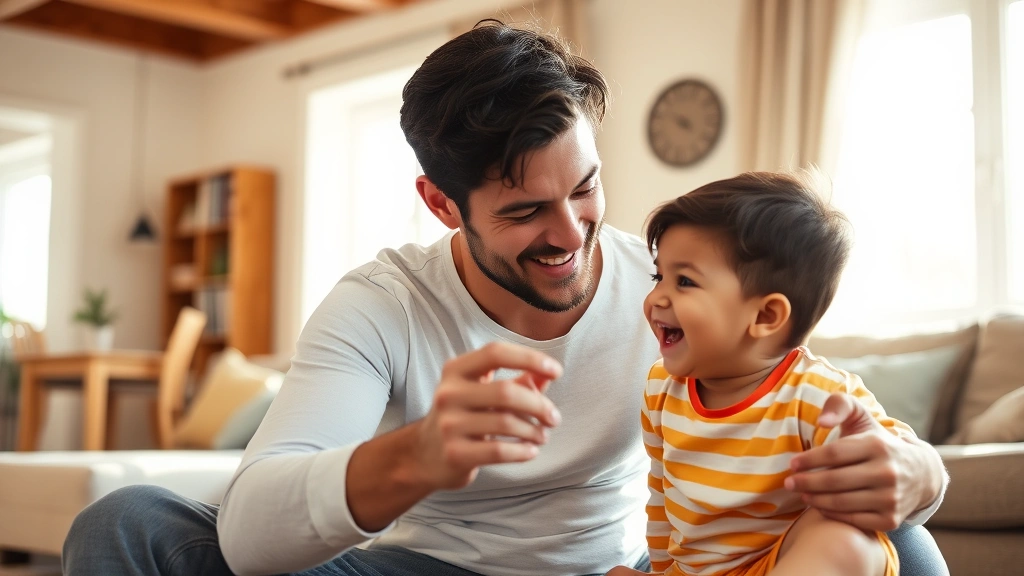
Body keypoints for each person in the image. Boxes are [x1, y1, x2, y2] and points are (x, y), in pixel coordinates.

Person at [62, 21, 948, 576]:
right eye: (526, 210)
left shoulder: (669, 287)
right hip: (430, 570)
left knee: (889, 536)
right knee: (129, 525)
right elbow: (250, 536)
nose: (572, 232)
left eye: (587, 189)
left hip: (622, 568)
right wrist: (416, 455)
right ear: (442, 203)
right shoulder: (382, 305)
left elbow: (816, 394)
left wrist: (919, 472)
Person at [606, 172, 922, 576]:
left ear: (766, 316)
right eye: (658, 276)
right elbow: (660, 491)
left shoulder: (817, 396)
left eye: (684, 281)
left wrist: (887, 463)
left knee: (847, 540)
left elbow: (894, 457)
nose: (656, 298)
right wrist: (664, 570)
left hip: (779, 565)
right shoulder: (661, 388)